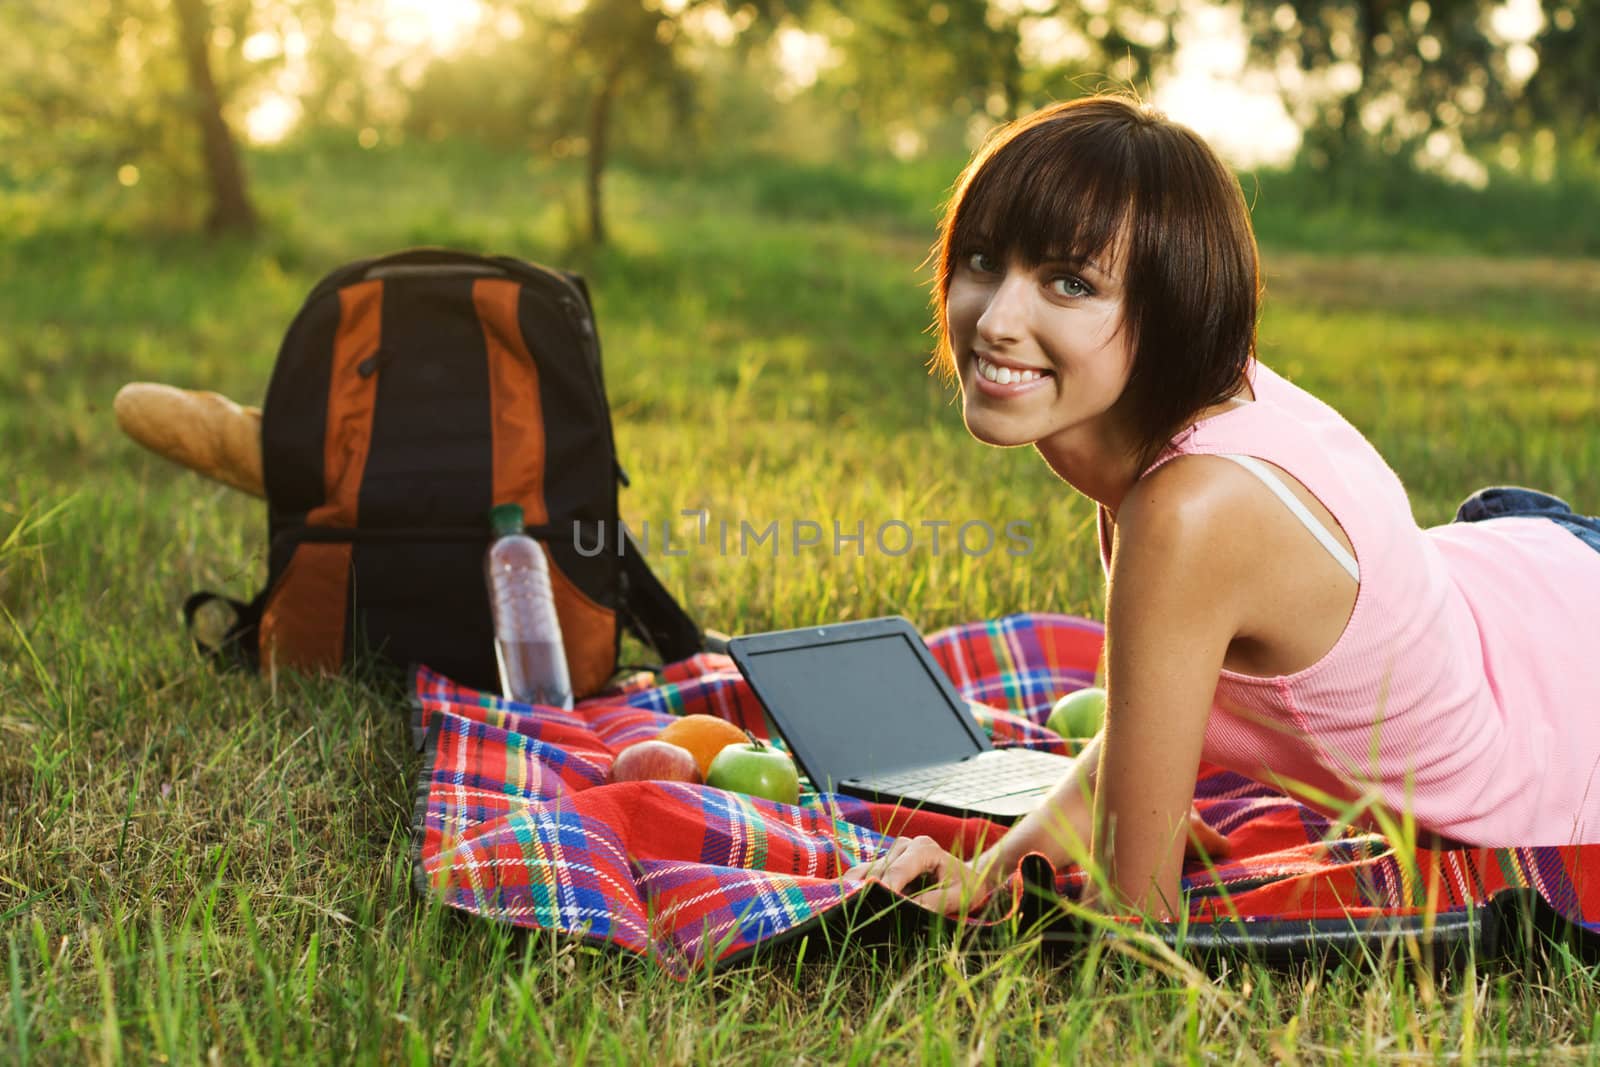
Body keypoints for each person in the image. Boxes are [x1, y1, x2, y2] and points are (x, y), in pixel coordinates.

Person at [842, 95, 1600, 920]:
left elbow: (1139, 919)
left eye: (1069, 283)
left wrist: (990, 913)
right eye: (983, 260)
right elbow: (1143, 727)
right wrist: (989, 872)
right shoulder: (1189, 399)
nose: (995, 318)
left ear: (1170, 309)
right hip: (1535, 578)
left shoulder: (1189, 510)